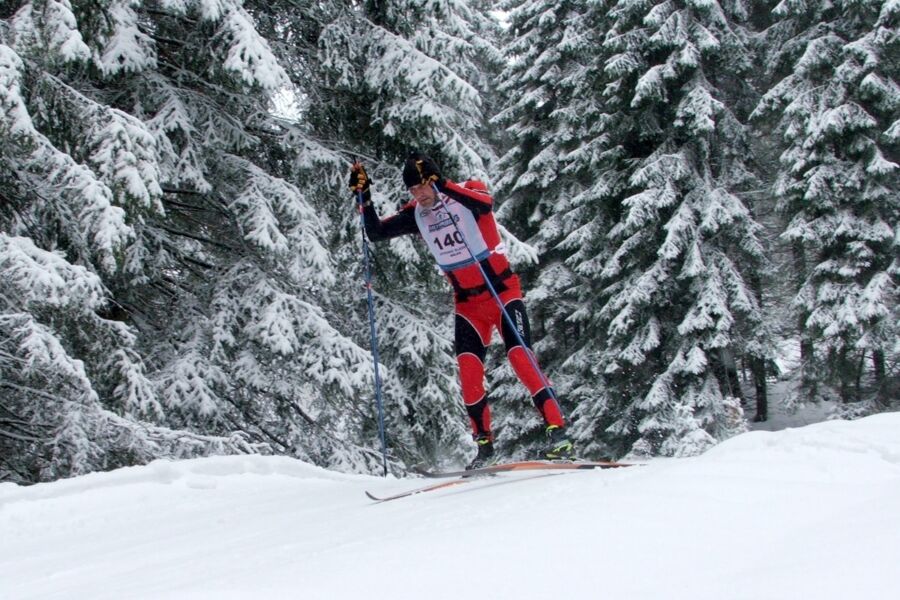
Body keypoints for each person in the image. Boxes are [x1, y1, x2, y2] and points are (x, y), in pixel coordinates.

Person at [349, 152, 574, 469]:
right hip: (468, 305)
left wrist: (441, 184)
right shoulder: (418, 213)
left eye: (423, 188)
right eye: (413, 191)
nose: (419, 195)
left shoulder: (469, 191)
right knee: (469, 374)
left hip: (502, 293)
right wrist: (365, 198)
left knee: (520, 357)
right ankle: (484, 448)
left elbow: (484, 206)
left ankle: (558, 434)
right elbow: (376, 232)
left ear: (434, 180)